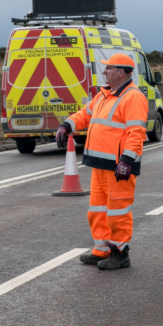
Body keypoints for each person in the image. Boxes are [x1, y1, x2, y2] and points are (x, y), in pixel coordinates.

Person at [56, 52, 146, 270]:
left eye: (108, 69)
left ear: (121, 72)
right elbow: (84, 115)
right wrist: (67, 125)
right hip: (100, 164)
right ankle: (101, 250)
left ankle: (120, 253)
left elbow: (137, 132)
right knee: (97, 210)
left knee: (118, 212)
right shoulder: (105, 95)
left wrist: (126, 160)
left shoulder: (133, 97)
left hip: (119, 166)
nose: (104, 72)